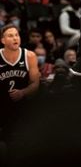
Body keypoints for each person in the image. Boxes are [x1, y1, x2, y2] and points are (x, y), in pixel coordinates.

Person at [0, 23, 40, 159]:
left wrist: (22, 92)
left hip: (23, 104)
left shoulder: (29, 56)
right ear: (2, 40)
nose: (15, 38)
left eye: (16, 35)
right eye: (10, 36)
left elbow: (35, 84)